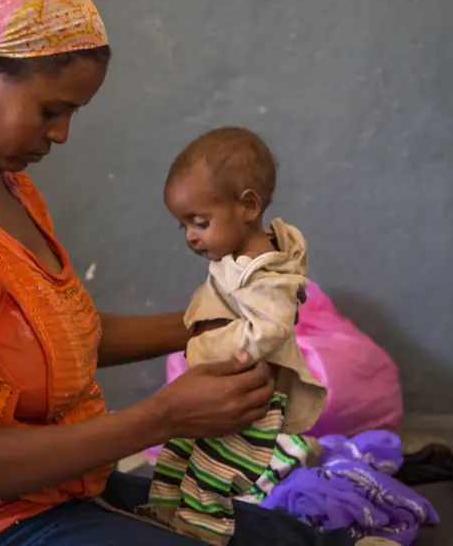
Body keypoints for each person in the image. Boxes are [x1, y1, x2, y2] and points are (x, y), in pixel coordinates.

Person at [0, 0, 352, 546]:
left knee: (291, 540)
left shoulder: (8, 188)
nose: (62, 134)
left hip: (69, 488)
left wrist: (227, 318)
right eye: (52, 109)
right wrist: (163, 416)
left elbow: (67, 338)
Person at [139, 128, 328, 544]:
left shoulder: (265, 275)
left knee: (212, 477)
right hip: (215, 389)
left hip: (245, 401)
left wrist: (204, 345)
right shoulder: (234, 257)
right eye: (183, 226)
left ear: (247, 206)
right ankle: (167, 516)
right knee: (177, 453)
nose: (191, 235)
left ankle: (203, 535)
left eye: (200, 222)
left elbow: (269, 330)